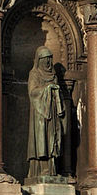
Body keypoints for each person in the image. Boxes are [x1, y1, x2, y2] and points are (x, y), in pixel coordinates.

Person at [26, 46, 65, 178]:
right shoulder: (35, 74)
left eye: (50, 59)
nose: (48, 62)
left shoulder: (53, 76)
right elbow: (32, 92)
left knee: (53, 138)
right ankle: (42, 169)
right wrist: (47, 88)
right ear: (39, 60)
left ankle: (52, 169)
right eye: (45, 59)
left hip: (52, 112)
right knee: (42, 140)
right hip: (40, 113)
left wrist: (55, 90)